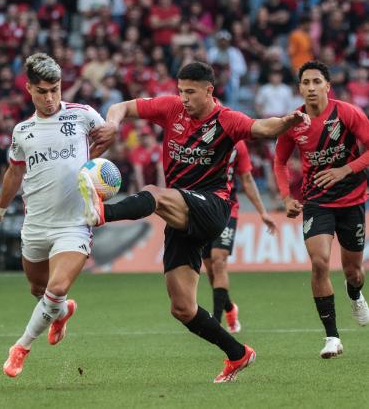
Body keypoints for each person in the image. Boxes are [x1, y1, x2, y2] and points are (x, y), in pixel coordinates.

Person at [79, 61, 310, 383]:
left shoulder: (227, 119)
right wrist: (114, 124)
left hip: (212, 205)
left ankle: (100, 214)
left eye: (190, 92)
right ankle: (238, 353)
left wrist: (287, 121)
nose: (184, 98)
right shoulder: (171, 108)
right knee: (182, 308)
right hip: (183, 216)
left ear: (209, 91)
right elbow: (121, 107)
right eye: (181, 91)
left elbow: (263, 128)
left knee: (153, 194)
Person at [0, 53, 115, 378]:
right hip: (36, 224)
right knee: (38, 289)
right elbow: (13, 174)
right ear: (29, 89)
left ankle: (21, 347)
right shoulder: (22, 131)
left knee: (55, 288)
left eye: (55, 89)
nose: (51, 97)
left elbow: (108, 134)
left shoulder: (83, 116)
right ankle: (62, 311)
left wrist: (94, 161)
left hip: (75, 223)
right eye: (42, 91)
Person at [274, 60, 369, 359]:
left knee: (354, 271)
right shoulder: (294, 123)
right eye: (306, 83)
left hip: (352, 200)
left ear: (328, 86)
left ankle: (354, 294)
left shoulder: (347, 113)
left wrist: (346, 170)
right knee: (319, 262)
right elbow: (279, 162)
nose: (311, 88)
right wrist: (287, 197)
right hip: (316, 201)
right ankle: (332, 337)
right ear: (300, 88)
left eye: (317, 82)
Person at [202, 140, 276, 333]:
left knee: (219, 261)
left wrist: (263, 212)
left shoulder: (238, 144)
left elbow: (247, 179)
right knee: (210, 270)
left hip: (227, 208)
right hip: (200, 208)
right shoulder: (198, 138)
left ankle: (215, 322)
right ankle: (229, 308)